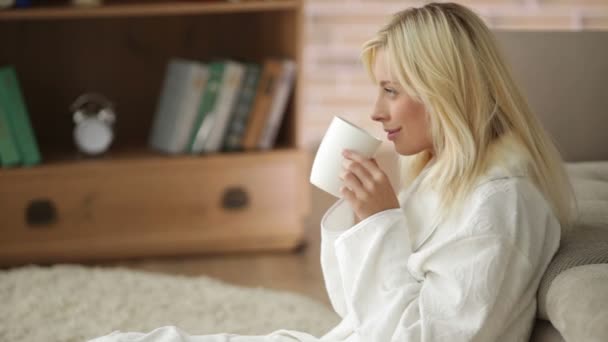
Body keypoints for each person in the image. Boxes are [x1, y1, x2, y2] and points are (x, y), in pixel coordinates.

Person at [90, 2, 576, 342]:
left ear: (445, 91)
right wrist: (358, 216)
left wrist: (379, 225)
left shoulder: (500, 208)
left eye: (391, 90)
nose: (377, 111)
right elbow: (354, 306)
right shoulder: (443, 177)